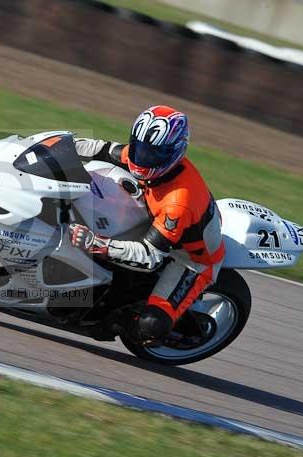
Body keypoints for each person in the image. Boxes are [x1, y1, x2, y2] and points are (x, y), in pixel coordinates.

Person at [69, 105, 224, 347]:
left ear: (175, 152)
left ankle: (123, 319)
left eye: (153, 154)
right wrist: (62, 144)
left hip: (189, 259)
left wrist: (95, 243)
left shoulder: (179, 203)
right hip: (157, 223)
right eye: (140, 148)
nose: (142, 158)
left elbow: (149, 257)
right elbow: (103, 149)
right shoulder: (140, 154)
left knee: (151, 326)